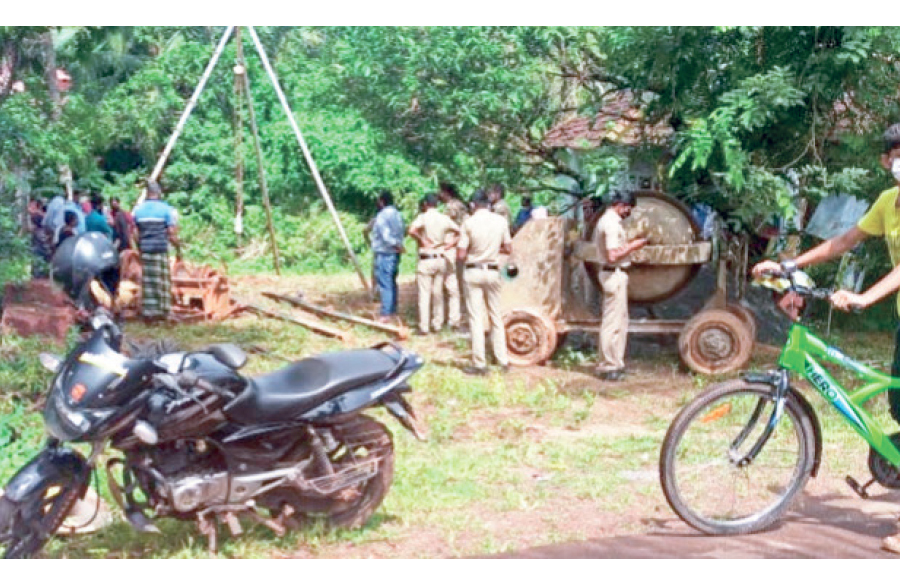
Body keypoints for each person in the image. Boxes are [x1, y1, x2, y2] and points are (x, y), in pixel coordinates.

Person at [457, 189, 513, 375]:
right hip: (494, 271)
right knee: (496, 315)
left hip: (473, 272)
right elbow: (508, 247)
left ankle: (479, 363)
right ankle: (502, 359)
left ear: (473, 205)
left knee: (476, 318)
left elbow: (461, 253)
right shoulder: (501, 221)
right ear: (488, 204)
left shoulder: (468, 223)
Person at [593, 191, 648, 381]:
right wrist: (635, 245)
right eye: (628, 208)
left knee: (619, 322)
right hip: (612, 274)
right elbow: (613, 255)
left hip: (615, 275)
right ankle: (608, 366)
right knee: (612, 323)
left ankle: (615, 363)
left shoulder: (610, 222)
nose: (628, 212)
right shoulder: (610, 224)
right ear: (621, 205)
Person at [408, 193, 460, 335]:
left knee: (424, 294)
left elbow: (411, 230)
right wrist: (450, 244)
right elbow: (459, 231)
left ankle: (424, 326)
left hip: (426, 257)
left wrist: (422, 239)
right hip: (441, 257)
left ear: (425, 204)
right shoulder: (444, 218)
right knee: (438, 293)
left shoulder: (423, 217)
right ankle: (437, 323)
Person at [133, 181, 180, 322]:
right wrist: (178, 248)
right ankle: (164, 311)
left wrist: (139, 247)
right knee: (163, 281)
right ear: (158, 193)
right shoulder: (166, 210)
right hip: (160, 249)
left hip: (146, 249)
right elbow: (171, 232)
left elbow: (135, 233)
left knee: (148, 282)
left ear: (147, 194)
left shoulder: (138, 210)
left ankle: (149, 312)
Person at [371, 190, 405, 323]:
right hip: (395, 253)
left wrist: (394, 244)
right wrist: (399, 245)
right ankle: (393, 309)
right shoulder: (398, 214)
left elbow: (385, 236)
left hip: (385, 252)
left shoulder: (382, 216)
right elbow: (402, 231)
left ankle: (386, 313)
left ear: (382, 201)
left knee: (384, 283)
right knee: (392, 281)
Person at [438, 182, 468, 329]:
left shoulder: (452, 206)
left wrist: (449, 244)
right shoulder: (460, 204)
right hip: (461, 245)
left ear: (446, 192)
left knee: (451, 284)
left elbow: (446, 225)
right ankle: (456, 316)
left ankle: (452, 317)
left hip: (453, 246)